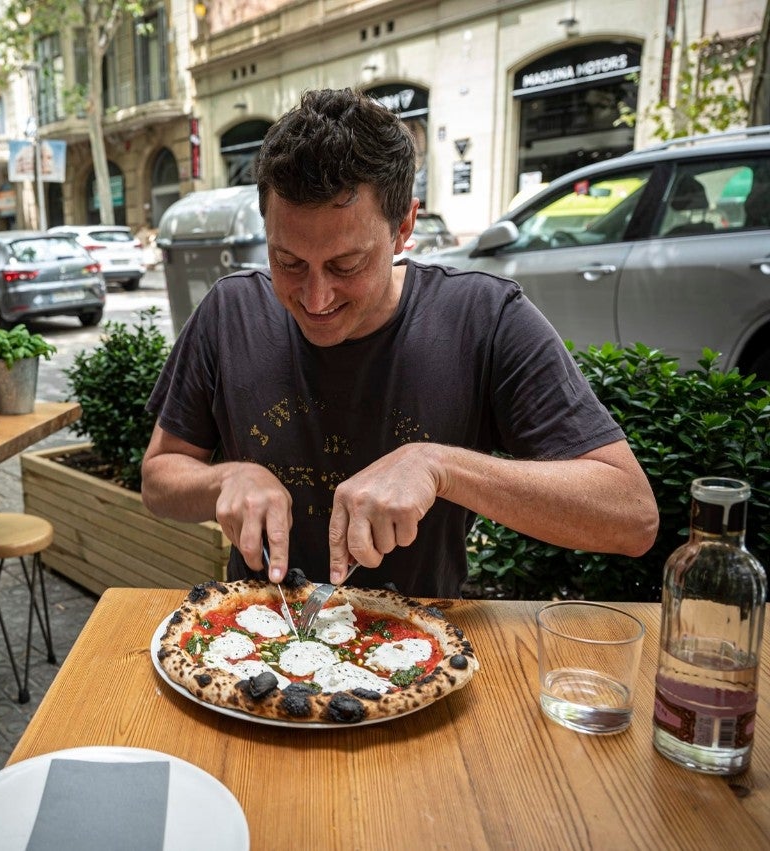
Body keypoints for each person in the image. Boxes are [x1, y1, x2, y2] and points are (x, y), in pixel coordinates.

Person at [140, 89, 659, 599]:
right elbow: (159, 477)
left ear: (404, 228)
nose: (315, 297)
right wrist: (225, 479)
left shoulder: (484, 318)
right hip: (251, 644)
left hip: (417, 650)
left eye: (347, 265)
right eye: (289, 261)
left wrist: (440, 468)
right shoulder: (230, 311)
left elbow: (631, 517)